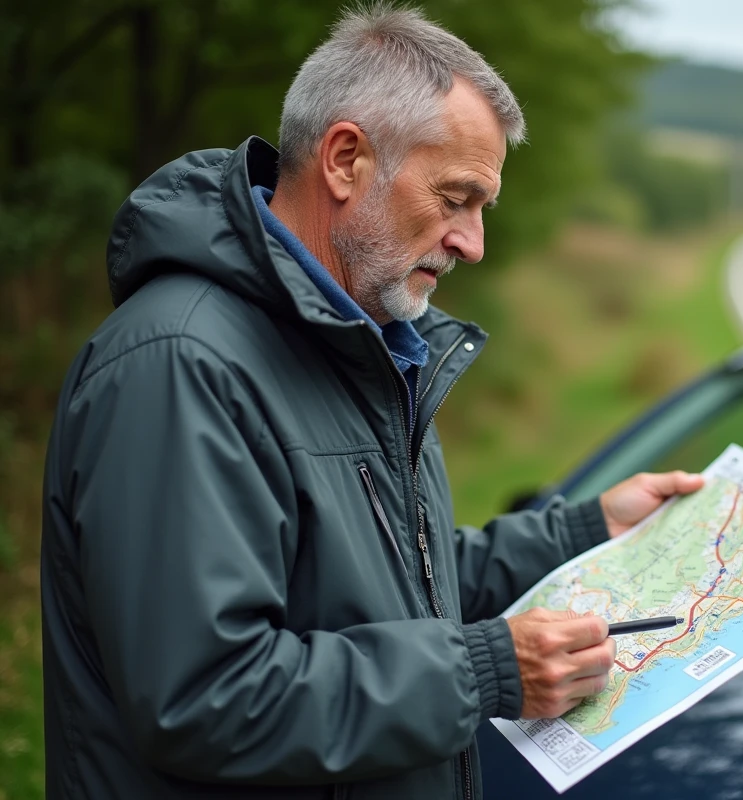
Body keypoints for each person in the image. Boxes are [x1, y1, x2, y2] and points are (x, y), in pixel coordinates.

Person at [39, 5, 703, 799]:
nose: (473, 242)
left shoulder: (365, 341)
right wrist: (486, 671)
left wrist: (588, 530)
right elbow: (204, 698)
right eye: (456, 198)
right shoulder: (181, 365)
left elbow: (395, 580)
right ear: (347, 159)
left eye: (482, 209)